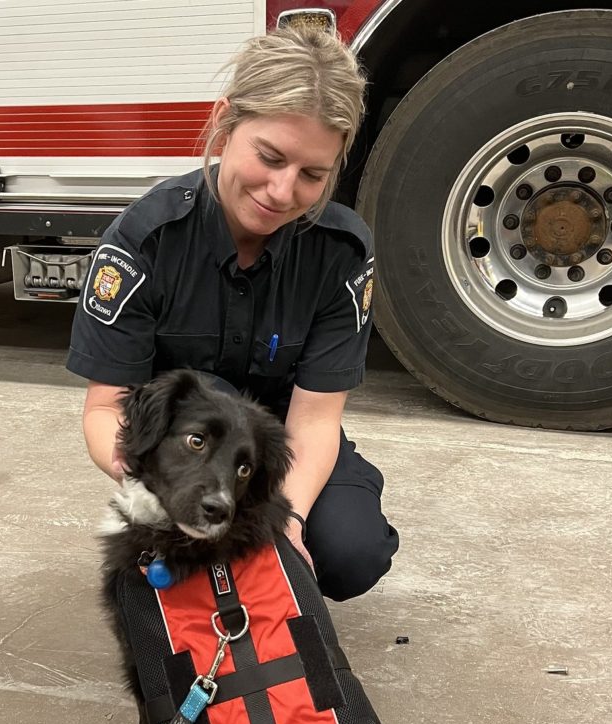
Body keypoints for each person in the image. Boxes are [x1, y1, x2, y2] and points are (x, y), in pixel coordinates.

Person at [66, 24, 398, 602]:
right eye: (269, 156)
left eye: (312, 175)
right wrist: (145, 478)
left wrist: (286, 525)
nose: (281, 190)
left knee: (348, 553)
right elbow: (104, 406)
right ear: (225, 122)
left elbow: (315, 420)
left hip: (274, 447)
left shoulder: (340, 254)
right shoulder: (144, 241)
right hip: (182, 444)